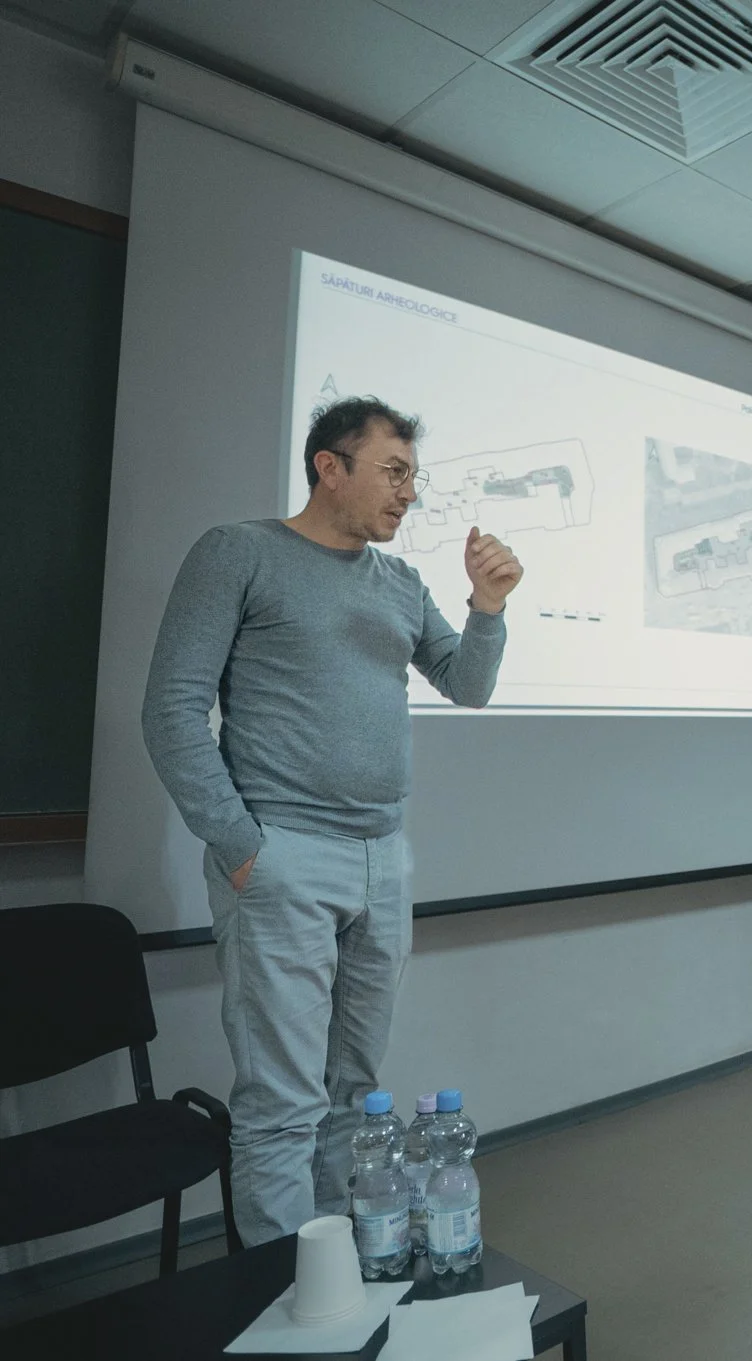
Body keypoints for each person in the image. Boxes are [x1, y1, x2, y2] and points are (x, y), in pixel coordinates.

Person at [142, 396, 524, 1244]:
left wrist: (488, 607)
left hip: (383, 859)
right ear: (329, 466)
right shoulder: (239, 552)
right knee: (282, 1104)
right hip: (282, 857)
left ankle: (345, 1268)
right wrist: (243, 847)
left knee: (355, 1092)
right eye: (393, 472)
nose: (408, 493)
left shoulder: (400, 582)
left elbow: (466, 683)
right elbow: (170, 710)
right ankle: (287, 1292)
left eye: (414, 477)